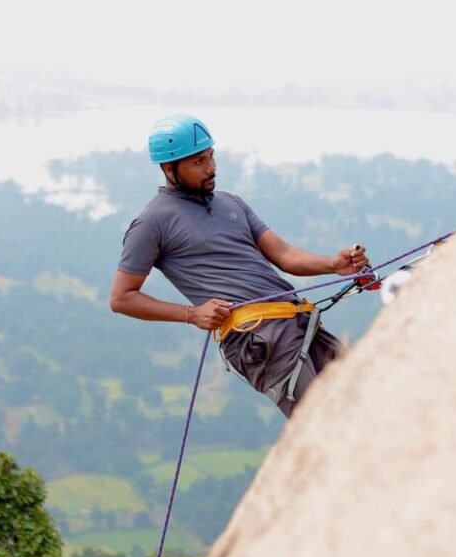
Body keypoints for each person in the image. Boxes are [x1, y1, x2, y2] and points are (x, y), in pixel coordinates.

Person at [109, 114, 370, 418]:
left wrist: (333, 264)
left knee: (363, 401)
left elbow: (284, 254)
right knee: (323, 419)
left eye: (211, 156)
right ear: (169, 169)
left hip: (297, 320)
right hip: (256, 338)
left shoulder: (231, 203)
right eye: (198, 162)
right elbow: (122, 298)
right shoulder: (152, 223)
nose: (211, 168)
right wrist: (192, 314)